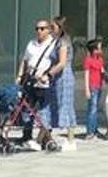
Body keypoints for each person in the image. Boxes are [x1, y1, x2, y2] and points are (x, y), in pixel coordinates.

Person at [19, 19, 57, 149]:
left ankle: (45, 137)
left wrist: (48, 75)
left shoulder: (53, 44)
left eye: (42, 28)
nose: (39, 31)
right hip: (30, 80)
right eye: (37, 28)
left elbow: (58, 63)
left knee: (44, 111)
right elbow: (24, 61)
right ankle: (27, 135)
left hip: (44, 82)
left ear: (49, 30)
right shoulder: (31, 44)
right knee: (26, 108)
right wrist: (19, 76)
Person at [47, 17, 78, 150]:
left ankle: (71, 140)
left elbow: (62, 62)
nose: (50, 30)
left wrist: (49, 73)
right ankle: (50, 137)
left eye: (52, 27)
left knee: (66, 105)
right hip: (59, 77)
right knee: (60, 105)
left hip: (64, 76)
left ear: (60, 28)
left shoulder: (63, 42)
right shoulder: (56, 41)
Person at [82, 38, 105, 140]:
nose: (101, 50)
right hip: (92, 86)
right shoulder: (88, 60)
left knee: (95, 109)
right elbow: (86, 74)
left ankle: (95, 129)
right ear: (94, 50)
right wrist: (87, 89)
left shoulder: (100, 59)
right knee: (92, 109)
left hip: (99, 86)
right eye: (99, 48)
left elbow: (102, 72)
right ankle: (90, 132)